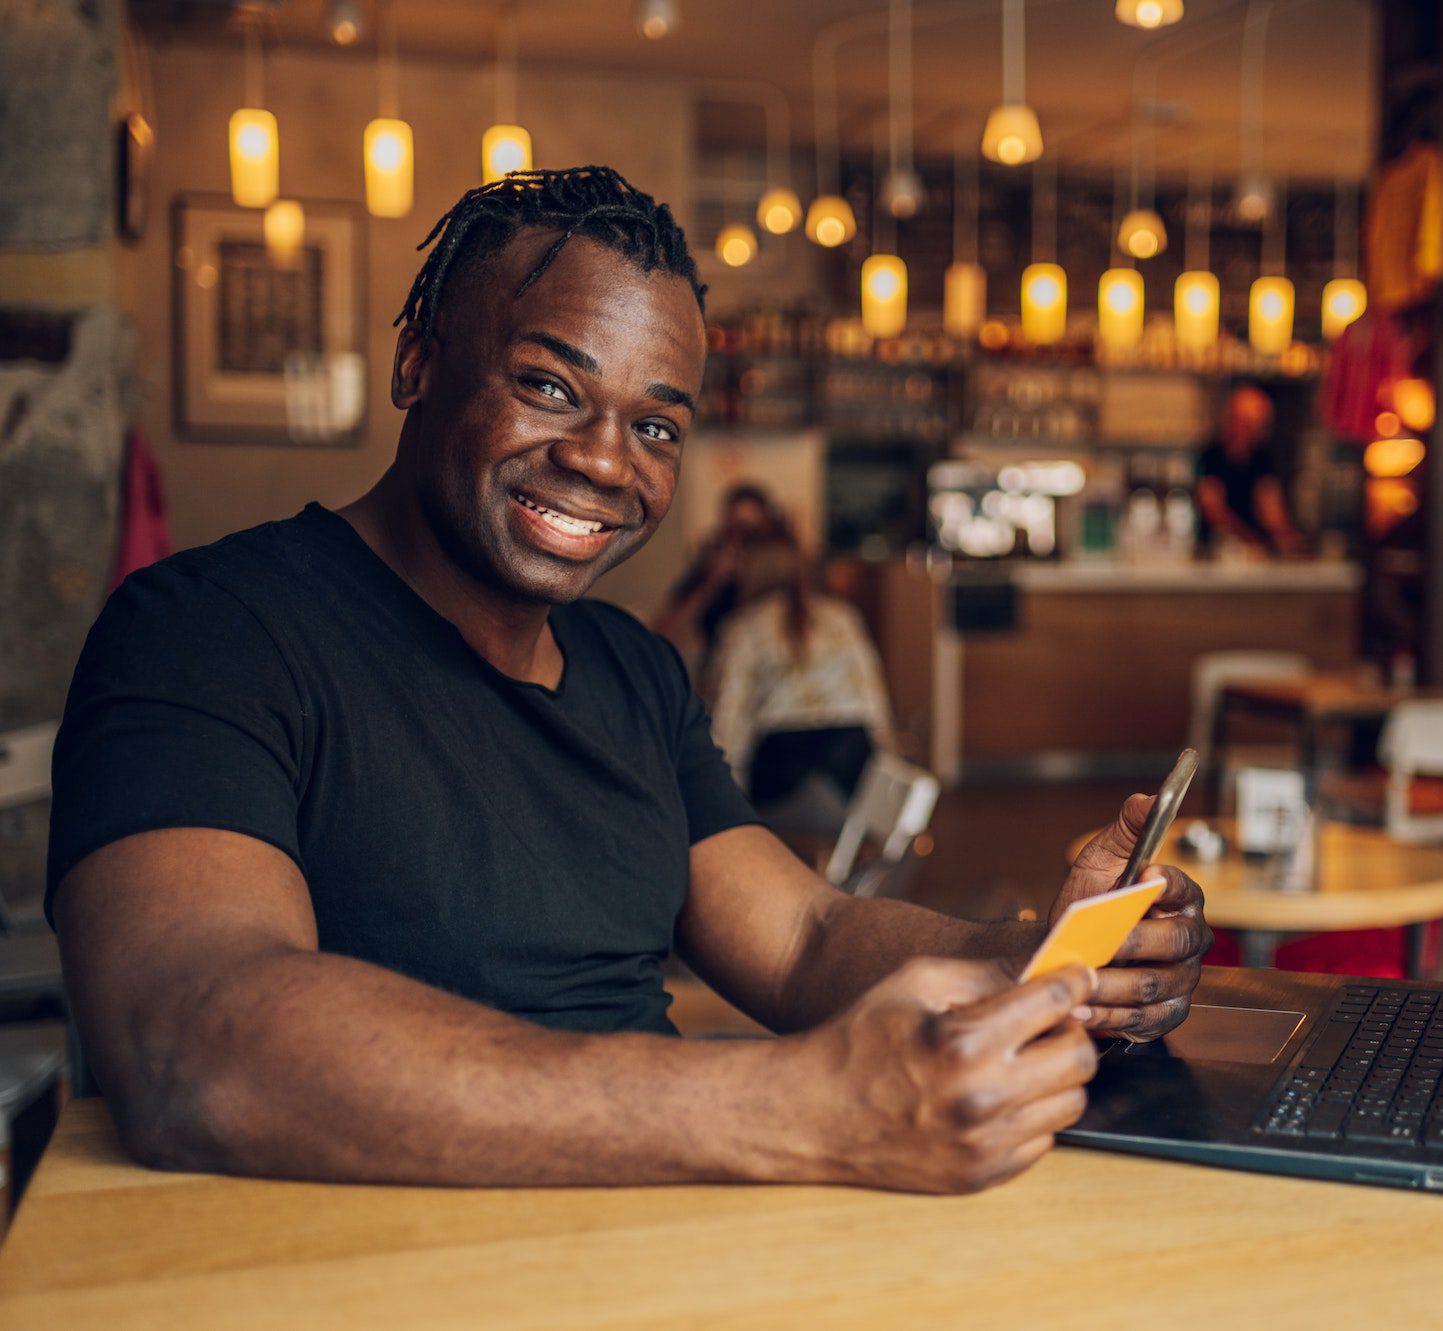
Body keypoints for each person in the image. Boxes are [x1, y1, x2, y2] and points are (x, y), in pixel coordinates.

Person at [47, 168, 1209, 1195]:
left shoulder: (630, 670)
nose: (606, 461)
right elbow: (191, 1039)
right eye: (550, 386)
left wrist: (1038, 955)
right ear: (417, 361)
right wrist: (800, 1108)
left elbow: (804, 937)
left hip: (657, 1229)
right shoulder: (205, 631)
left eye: (656, 426)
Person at [706, 530, 895, 809]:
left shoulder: (743, 627)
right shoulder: (843, 616)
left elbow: (729, 717)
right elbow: (873, 698)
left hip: (783, 766)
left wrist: (726, 798)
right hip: (852, 760)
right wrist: (888, 768)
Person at [648, 482, 783, 668]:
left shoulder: (781, 576)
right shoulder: (710, 568)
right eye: (734, 530)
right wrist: (712, 582)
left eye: (750, 534)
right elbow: (661, 634)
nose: (740, 541)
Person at [1195, 383, 1308, 557]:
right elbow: (1212, 509)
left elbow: (1270, 507)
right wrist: (1249, 540)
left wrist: (1289, 539)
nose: (1263, 432)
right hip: (1216, 555)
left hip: (1254, 558)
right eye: (1255, 424)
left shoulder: (1261, 459)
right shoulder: (1212, 456)